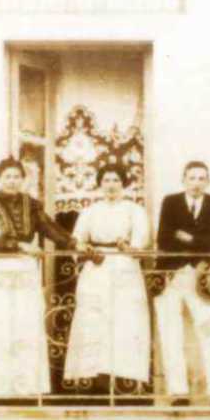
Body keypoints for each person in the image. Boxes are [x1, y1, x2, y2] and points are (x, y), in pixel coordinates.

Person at [0, 157, 74, 398]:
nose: (12, 181)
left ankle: (24, 388)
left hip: (24, 271)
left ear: (23, 179)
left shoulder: (32, 204)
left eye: (16, 176)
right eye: (7, 176)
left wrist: (74, 243)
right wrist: (19, 246)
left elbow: (50, 228)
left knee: (24, 327)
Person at [62, 164, 152, 397]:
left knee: (124, 319)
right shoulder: (90, 211)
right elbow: (77, 239)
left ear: (124, 184)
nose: (111, 185)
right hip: (97, 267)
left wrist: (128, 247)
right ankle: (92, 379)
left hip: (124, 267)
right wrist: (87, 251)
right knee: (93, 319)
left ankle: (123, 380)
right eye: (106, 181)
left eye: (116, 180)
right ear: (100, 184)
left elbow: (141, 242)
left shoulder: (134, 210)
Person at [153, 160, 210, 404]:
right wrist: (204, 241)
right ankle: (177, 392)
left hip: (202, 276)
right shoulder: (170, 202)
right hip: (170, 275)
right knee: (171, 334)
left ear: (208, 182)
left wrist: (189, 238)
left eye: (202, 178)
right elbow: (164, 239)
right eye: (192, 178)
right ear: (183, 180)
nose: (196, 183)